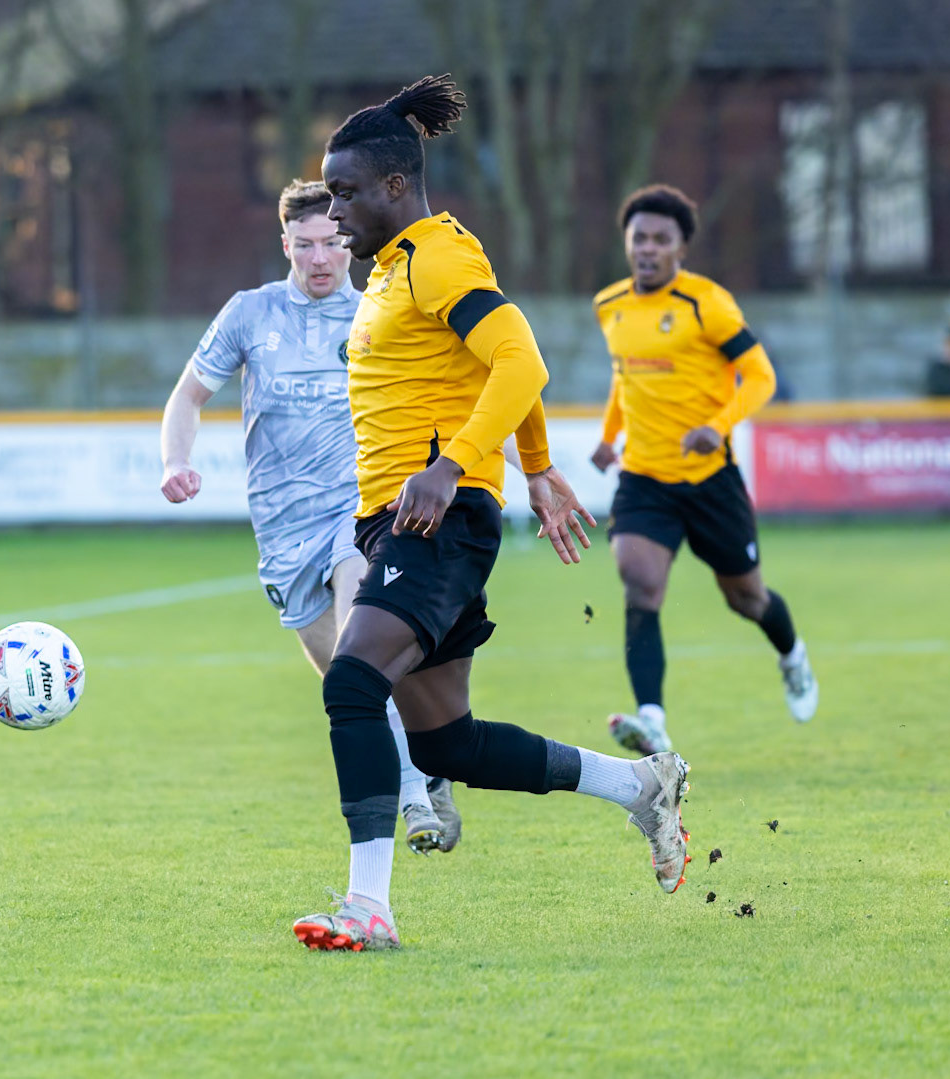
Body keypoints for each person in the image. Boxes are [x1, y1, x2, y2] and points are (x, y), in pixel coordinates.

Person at [293, 75, 691, 952]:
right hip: (400, 517)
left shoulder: (436, 255)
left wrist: (451, 465)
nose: (337, 208)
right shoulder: (403, 265)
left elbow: (522, 358)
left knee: (354, 684)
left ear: (397, 185)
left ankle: (368, 906)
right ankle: (639, 786)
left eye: (349, 191)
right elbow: (496, 367)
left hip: (434, 518)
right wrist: (538, 468)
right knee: (446, 745)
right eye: (330, 191)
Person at [158, 180, 461, 857]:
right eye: (306, 245)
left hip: (355, 513)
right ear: (285, 243)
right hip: (281, 533)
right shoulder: (249, 313)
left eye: (332, 243)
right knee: (347, 679)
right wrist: (174, 461)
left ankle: (413, 799)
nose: (321, 258)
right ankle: (432, 760)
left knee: (364, 644)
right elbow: (188, 394)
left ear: (349, 242)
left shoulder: (378, 313)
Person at [588, 183, 818, 757]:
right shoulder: (609, 305)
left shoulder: (707, 304)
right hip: (643, 477)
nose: (647, 248)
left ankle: (792, 657)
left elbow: (760, 376)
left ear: (680, 249)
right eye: (639, 237)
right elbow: (626, 375)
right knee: (639, 582)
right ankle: (653, 720)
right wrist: (609, 436)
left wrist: (718, 425)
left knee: (747, 599)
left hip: (710, 480)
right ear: (627, 243)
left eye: (661, 240)